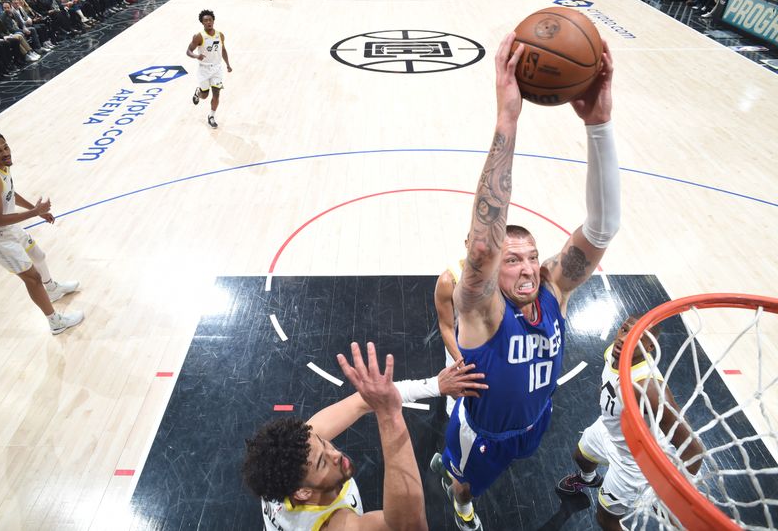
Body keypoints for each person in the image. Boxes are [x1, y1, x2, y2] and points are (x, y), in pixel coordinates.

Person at [430, 31, 621, 531]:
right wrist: (508, 118)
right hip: (483, 431)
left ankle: (461, 479)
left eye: (533, 257)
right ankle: (459, 499)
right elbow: (481, 247)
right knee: (466, 481)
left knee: (517, 456)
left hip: (535, 422)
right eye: (513, 260)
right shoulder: (483, 309)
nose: (528, 267)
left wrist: (598, 124)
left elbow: (601, 229)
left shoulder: (554, 291)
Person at [244, 342, 488, 530]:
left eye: (324, 444)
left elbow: (362, 402)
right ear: (303, 493)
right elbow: (410, 526)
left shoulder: (288, 467)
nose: (335, 454)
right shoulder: (334, 525)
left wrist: (435, 385)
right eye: (322, 461)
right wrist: (389, 416)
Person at [555, 315, 704, 530]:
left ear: (650, 346)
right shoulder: (613, 352)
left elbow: (693, 450)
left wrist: (674, 496)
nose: (624, 339)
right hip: (608, 428)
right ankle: (587, 479)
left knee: (605, 519)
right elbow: (610, 382)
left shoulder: (649, 389)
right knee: (581, 456)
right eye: (624, 330)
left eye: (636, 337)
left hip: (633, 460)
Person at [0, 130, 83, 334]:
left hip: (7, 226)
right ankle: (56, 322)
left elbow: (9, 192)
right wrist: (36, 211)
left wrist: (35, 211)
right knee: (32, 278)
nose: (5, 153)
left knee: (38, 255)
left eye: (6, 147)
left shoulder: (2, 167)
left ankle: (52, 289)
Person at [434, 236, 468, 416]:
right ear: (467, 243)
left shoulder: (500, 272)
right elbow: (446, 327)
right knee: (457, 401)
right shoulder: (449, 280)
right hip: (459, 348)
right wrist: (461, 361)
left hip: (490, 347)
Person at [186, 9, 231, 129]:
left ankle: (211, 116)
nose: (208, 22)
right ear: (202, 23)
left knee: (216, 94)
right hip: (204, 69)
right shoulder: (199, 36)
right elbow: (188, 51)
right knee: (205, 95)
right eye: (205, 20)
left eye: (210, 20)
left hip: (217, 69)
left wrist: (227, 64)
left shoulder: (220, 35)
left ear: (213, 20)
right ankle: (198, 92)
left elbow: (223, 50)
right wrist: (196, 56)